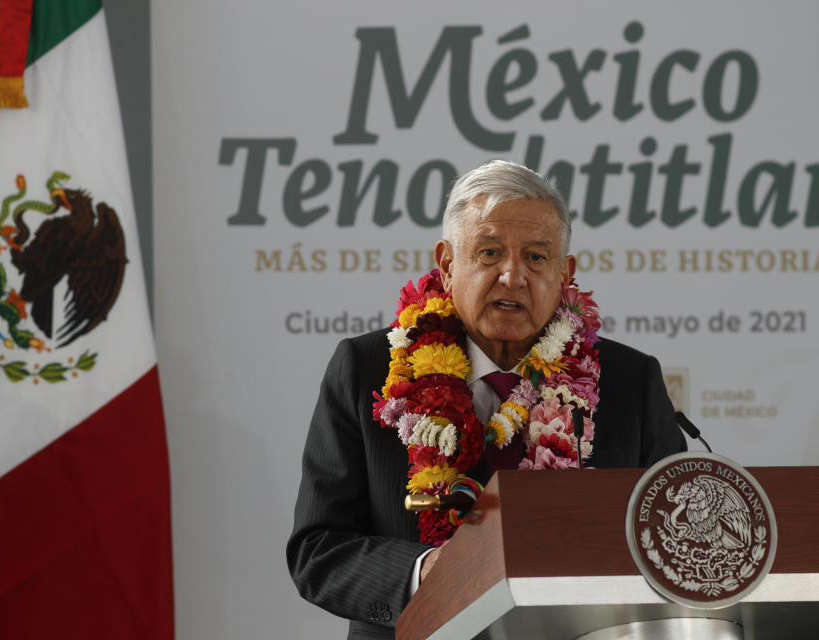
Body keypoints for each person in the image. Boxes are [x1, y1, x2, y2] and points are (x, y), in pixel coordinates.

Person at [287, 160, 686, 639]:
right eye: (490, 252)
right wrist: (425, 573)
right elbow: (319, 549)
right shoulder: (365, 369)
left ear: (565, 274)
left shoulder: (629, 380)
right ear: (447, 263)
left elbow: (675, 540)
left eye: (537, 258)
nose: (513, 276)